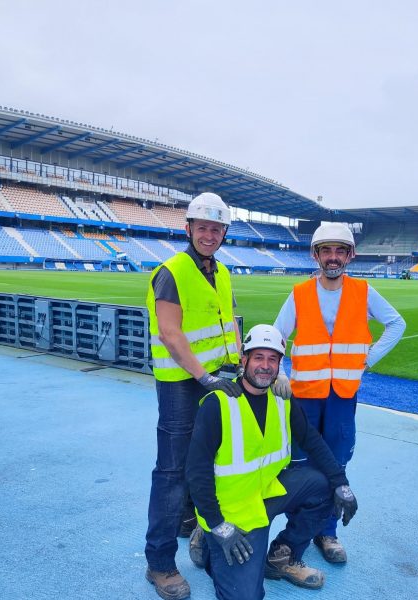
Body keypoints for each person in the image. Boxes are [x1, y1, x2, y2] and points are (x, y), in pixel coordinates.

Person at [186, 324, 358, 600]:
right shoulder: (218, 404)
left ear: (280, 364)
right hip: (232, 515)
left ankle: (282, 556)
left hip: (266, 495)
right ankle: (208, 544)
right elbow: (196, 472)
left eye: (272, 359)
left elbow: (313, 441)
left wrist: (342, 483)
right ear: (244, 360)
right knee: (246, 596)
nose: (265, 366)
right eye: (258, 358)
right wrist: (217, 524)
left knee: (324, 485)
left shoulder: (282, 401)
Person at [272, 222, 406, 564]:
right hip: (304, 396)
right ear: (316, 255)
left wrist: (368, 359)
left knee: (337, 462)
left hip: (343, 395)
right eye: (326, 251)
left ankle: (327, 532)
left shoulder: (363, 292)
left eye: (340, 251)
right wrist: (281, 373)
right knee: (301, 465)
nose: (333, 258)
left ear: (350, 255)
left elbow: (397, 323)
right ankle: (299, 530)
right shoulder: (300, 293)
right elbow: (276, 334)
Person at [145, 192, 243, 600]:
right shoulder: (171, 271)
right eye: (202, 227)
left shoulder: (221, 271)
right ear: (188, 229)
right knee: (171, 471)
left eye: (216, 229)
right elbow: (171, 334)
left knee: (209, 463)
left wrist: (237, 365)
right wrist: (205, 377)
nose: (209, 234)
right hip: (184, 384)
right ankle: (160, 564)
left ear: (223, 234)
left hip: (216, 378)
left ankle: (196, 526)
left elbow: (230, 321)